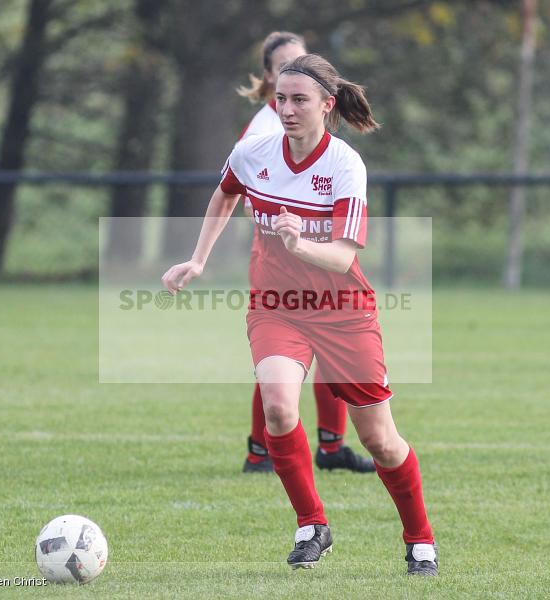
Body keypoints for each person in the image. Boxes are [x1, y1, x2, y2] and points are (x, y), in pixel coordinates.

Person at [162, 54, 437, 575]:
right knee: (279, 410)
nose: (287, 110)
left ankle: (419, 538)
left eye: (299, 101)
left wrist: (299, 241)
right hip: (276, 307)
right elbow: (224, 196)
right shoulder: (252, 152)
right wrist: (197, 260)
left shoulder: (344, 165)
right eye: (281, 99)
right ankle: (312, 525)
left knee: (378, 438)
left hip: (341, 310)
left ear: (327, 106)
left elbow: (342, 256)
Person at [236, 31, 373, 475]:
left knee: (323, 353)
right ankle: (261, 452)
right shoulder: (264, 128)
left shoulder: (333, 148)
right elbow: (236, 187)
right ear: (270, 76)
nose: (290, 102)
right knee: (280, 359)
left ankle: (330, 448)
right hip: (278, 261)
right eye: (284, 66)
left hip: (315, 254)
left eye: (302, 61)